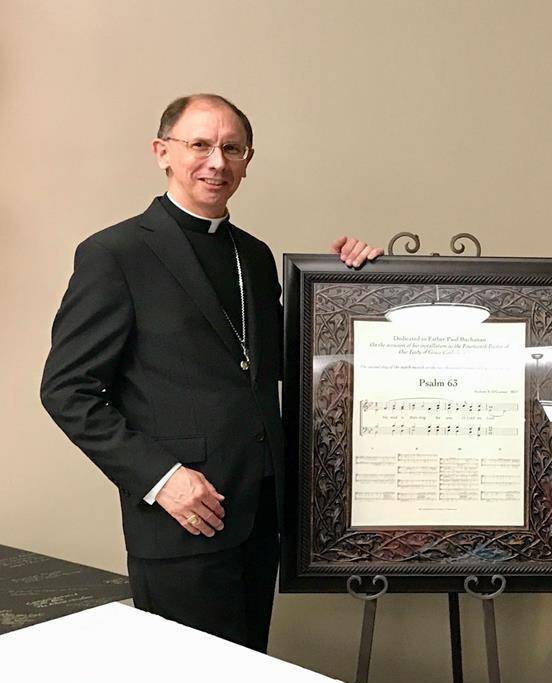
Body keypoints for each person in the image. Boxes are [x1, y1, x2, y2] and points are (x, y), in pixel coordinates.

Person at [41, 93, 380, 652]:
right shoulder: (115, 253)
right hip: (182, 516)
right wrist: (161, 478)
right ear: (162, 152)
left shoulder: (255, 255)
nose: (216, 162)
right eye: (199, 145)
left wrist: (350, 282)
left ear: (248, 160)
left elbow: (295, 362)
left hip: (260, 513)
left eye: (232, 148)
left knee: (249, 674)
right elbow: (65, 390)